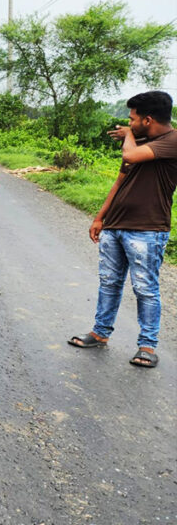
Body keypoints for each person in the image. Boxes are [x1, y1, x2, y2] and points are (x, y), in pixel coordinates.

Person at [68, 91, 176, 368]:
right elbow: (119, 182)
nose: (129, 123)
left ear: (148, 119)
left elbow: (130, 153)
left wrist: (129, 135)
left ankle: (147, 346)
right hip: (115, 225)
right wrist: (99, 217)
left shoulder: (172, 141)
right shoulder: (140, 141)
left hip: (147, 229)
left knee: (145, 289)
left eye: (133, 118)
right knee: (109, 282)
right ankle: (100, 333)